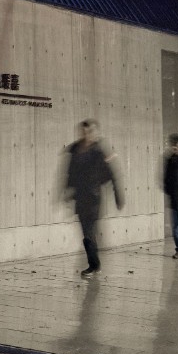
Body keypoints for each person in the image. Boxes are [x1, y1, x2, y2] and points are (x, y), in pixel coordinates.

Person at [62, 119, 123, 278]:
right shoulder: (75, 150)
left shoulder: (99, 151)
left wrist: (118, 196)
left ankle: (93, 265)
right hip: (80, 197)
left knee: (89, 232)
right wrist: (66, 191)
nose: (86, 135)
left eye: (89, 132)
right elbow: (69, 172)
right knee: (87, 233)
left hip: (94, 197)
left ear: (94, 132)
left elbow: (112, 174)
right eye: (84, 132)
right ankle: (95, 265)